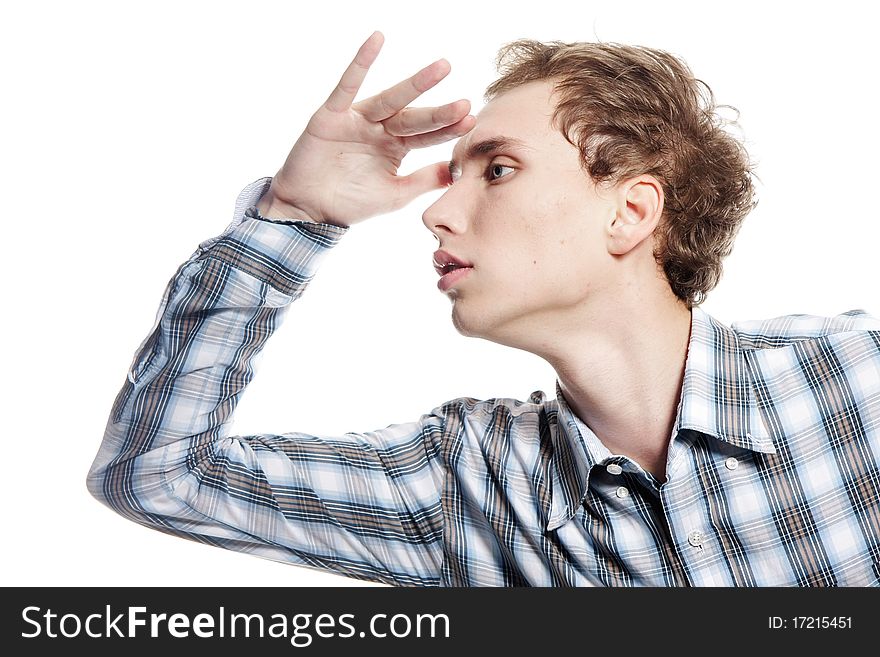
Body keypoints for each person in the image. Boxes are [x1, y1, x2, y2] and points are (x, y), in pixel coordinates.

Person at [87, 31, 880, 587]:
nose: (436, 212)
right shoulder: (465, 481)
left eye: (497, 169)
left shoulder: (859, 378)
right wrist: (294, 216)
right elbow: (157, 475)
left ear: (631, 212)